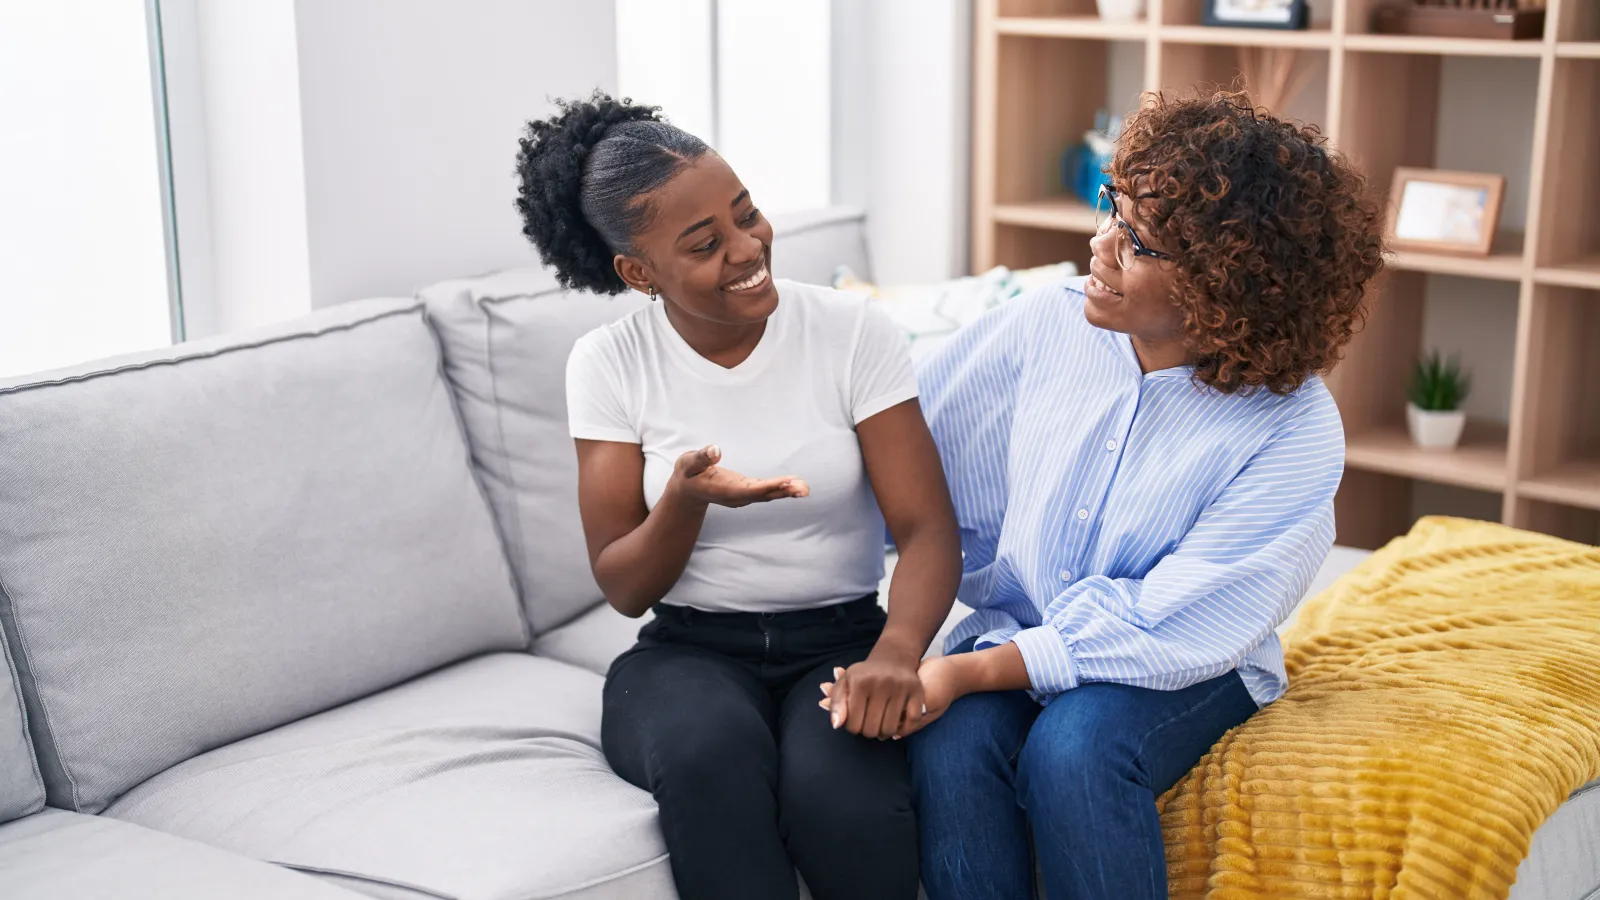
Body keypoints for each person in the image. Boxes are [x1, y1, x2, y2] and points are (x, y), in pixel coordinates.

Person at [827, 91, 1386, 900]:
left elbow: (1177, 623)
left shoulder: (1293, 430)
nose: (1098, 245)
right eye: (1109, 211)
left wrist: (968, 672)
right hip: (1020, 631)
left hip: (1184, 663)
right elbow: (903, 463)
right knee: (953, 743)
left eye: (1137, 243)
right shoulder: (1041, 327)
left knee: (1076, 746)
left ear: (1227, 288)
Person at [514, 93, 961, 900]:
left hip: (840, 640)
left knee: (842, 801)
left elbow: (926, 529)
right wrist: (686, 499)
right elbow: (623, 586)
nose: (748, 247)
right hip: (686, 653)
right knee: (707, 757)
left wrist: (896, 656)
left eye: (747, 214)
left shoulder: (851, 334)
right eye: (705, 243)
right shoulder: (609, 364)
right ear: (637, 272)